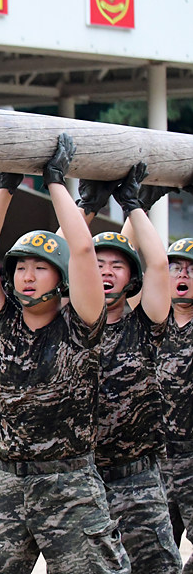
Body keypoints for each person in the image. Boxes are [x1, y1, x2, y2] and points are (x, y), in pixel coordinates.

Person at [0, 133, 130, 574]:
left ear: (61, 280)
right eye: (21, 267)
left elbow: (80, 249)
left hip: (71, 483)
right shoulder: (1, 324)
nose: (27, 277)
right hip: (9, 483)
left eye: (39, 268)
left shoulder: (81, 324)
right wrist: (3, 185)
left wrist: (58, 185)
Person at [75, 166, 180, 572]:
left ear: (130, 278)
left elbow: (157, 265)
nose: (105, 271)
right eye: (97, 263)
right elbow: (60, 253)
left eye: (116, 266)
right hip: (82, 481)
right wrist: (87, 208)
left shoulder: (145, 324)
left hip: (137, 479)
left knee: (157, 567)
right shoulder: (70, 324)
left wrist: (134, 206)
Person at [158, 236, 193, 573]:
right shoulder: (153, 324)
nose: (184, 274)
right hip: (156, 461)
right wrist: (137, 204)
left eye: (192, 269)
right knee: (150, 551)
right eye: (176, 268)